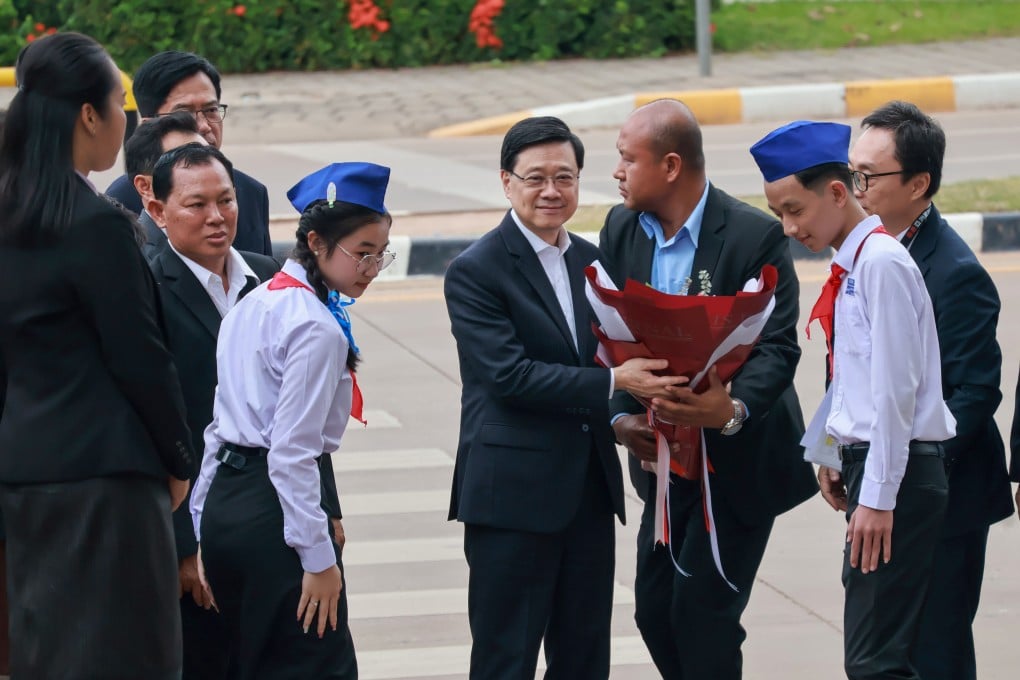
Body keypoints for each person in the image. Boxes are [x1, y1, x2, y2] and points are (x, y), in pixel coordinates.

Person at [445, 115, 683, 679]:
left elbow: (608, 352)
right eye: (535, 178)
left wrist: (623, 419)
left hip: (587, 493)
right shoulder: (475, 271)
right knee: (507, 657)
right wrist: (617, 384)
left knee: (583, 659)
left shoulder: (592, 262)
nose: (551, 191)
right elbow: (511, 377)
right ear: (507, 182)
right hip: (512, 498)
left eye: (565, 177)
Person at [599, 98, 816, 679]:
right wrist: (623, 420)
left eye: (627, 159)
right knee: (653, 612)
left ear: (671, 166)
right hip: (664, 462)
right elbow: (615, 334)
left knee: (704, 616)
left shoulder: (752, 235)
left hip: (737, 461)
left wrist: (731, 410)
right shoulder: (621, 227)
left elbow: (777, 346)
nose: (616, 172)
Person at [0, 32, 193, 678]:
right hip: (108, 481)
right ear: (88, 114)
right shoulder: (96, 223)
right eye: (121, 101)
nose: (126, 117)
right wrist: (178, 459)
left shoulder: (9, 212)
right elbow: (140, 358)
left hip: (28, 473)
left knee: (48, 655)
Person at [751, 119, 956, 680]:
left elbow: (895, 393)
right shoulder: (855, 263)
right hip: (877, 468)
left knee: (875, 662)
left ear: (837, 193)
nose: (790, 228)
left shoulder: (882, 265)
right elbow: (854, 381)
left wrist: (879, 498)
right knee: (876, 656)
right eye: (778, 215)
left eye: (795, 210)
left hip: (900, 475)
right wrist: (833, 453)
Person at [190, 161, 396, 679]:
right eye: (362, 253)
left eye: (381, 254)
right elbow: (291, 454)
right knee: (314, 664)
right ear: (315, 241)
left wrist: (198, 527)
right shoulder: (315, 328)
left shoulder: (253, 300)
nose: (371, 268)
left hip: (227, 510)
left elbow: (218, 429)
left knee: (246, 662)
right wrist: (319, 560)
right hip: (273, 514)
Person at [848, 100, 1014, 680]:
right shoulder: (867, 251)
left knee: (934, 650)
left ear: (919, 183)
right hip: (883, 486)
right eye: (852, 172)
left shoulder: (953, 271)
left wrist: (903, 473)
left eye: (869, 176)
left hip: (942, 499)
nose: (855, 187)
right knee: (883, 650)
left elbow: (974, 392)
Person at [146, 142, 280, 679]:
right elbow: (155, 422)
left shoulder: (271, 277)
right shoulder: (146, 287)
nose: (217, 216)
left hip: (274, 515)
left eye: (225, 200)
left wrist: (326, 507)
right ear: (157, 212)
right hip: (197, 520)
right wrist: (183, 546)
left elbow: (299, 408)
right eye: (196, 204)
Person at [106, 50, 272, 256]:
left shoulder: (251, 193)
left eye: (211, 110)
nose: (203, 126)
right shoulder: (121, 204)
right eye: (183, 114)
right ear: (149, 125)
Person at [124, 111, 207, 258]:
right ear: (145, 186)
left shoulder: (254, 266)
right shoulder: (134, 261)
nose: (208, 172)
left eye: (210, 159)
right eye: (188, 164)